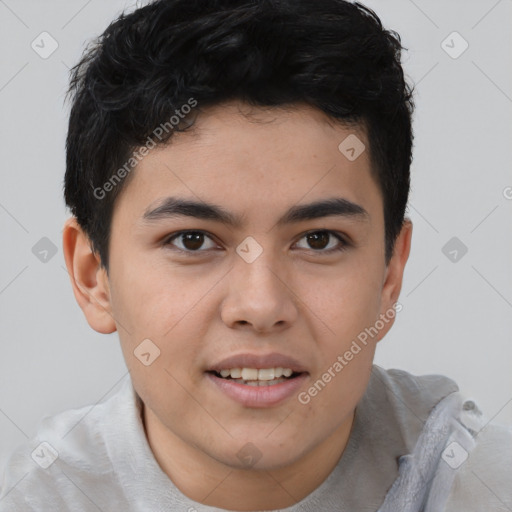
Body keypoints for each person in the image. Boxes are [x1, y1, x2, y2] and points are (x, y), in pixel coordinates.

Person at [1, 0, 510, 510]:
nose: (261, 306)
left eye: (319, 240)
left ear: (389, 275)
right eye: (193, 240)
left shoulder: (479, 483)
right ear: (94, 277)